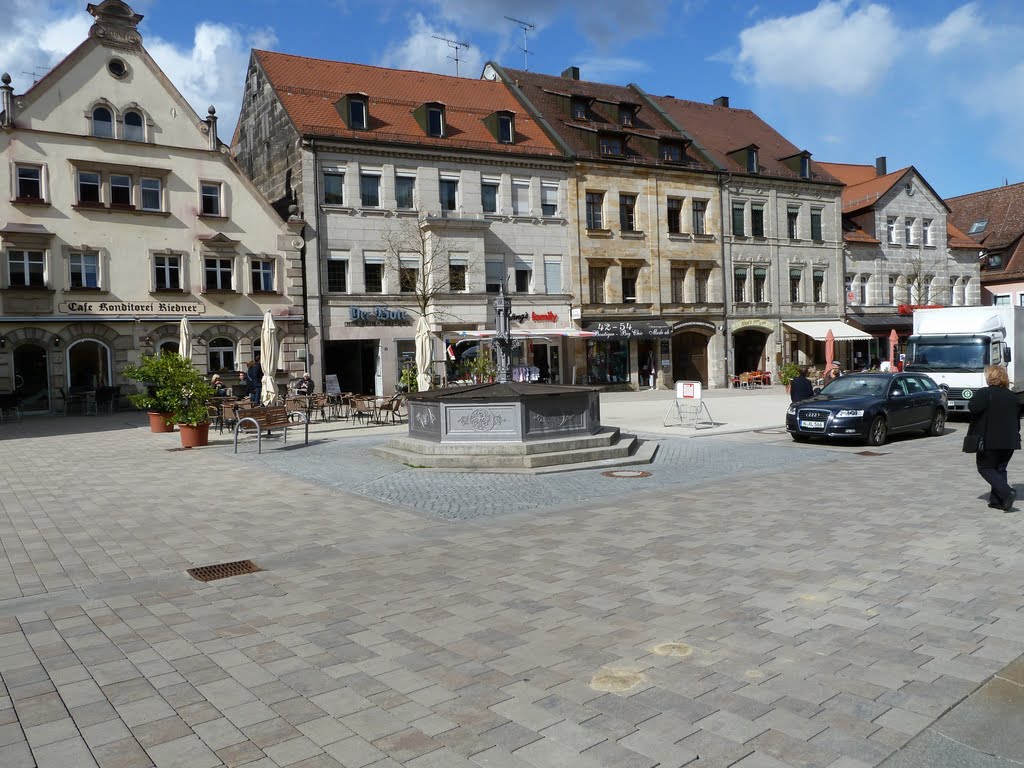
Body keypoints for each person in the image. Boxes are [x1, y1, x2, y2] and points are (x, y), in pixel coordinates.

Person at [968, 364, 1022, 511]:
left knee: (985, 467)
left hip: (989, 439)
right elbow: (1017, 420)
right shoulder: (1012, 396)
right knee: (1000, 468)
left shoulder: (984, 393)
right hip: (1010, 440)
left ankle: (1007, 492)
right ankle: (998, 501)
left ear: (990, 378)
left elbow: (972, 407)